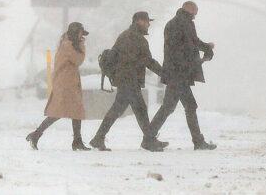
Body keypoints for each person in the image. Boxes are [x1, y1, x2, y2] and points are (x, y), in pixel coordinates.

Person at [89, 12, 168, 152]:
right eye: (146, 22)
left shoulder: (125, 35)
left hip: (124, 78)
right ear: (139, 21)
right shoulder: (136, 38)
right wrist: (165, 74)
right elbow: (147, 61)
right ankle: (149, 141)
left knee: (118, 110)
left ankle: (98, 138)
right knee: (140, 110)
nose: (149, 24)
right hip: (129, 79)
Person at [147, 1, 217, 150]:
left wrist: (205, 48)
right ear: (189, 9)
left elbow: (189, 43)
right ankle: (148, 138)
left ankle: (197, 141)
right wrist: (204, 51)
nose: (195, 16)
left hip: (178, 72)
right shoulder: (183, 23)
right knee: (171, 107)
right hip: (179, 73)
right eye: (195, 12)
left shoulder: (177, 23)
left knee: (183, 106)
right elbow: (190, 44)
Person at [26, 22, 90, 151]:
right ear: (74, 32)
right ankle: (36, 134)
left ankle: (76, 141)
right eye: (80, 33)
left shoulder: (68, 44)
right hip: (65, 83)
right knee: (59, 112)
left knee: (74, 111)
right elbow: (79, 60)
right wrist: (82, 45)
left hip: (68, 82)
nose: (81, 37)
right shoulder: (68, 46)